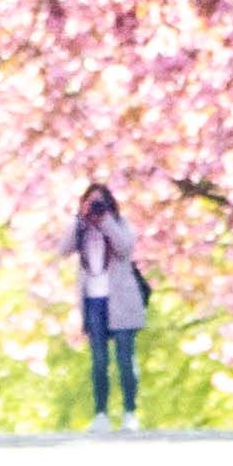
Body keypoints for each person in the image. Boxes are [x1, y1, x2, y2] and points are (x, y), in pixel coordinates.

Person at [68, 180, 149, 427]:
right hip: (93, 301)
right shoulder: (81, 229)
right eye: (90, 202)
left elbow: (124, 249)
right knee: (99, 360)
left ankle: (129, 412)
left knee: (125, 358)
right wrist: (79, 221)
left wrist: (105, 221)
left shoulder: (120, 225)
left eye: (99, 202)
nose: (94, 207)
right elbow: (62, 249)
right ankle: (101, 413)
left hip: (121, 301)